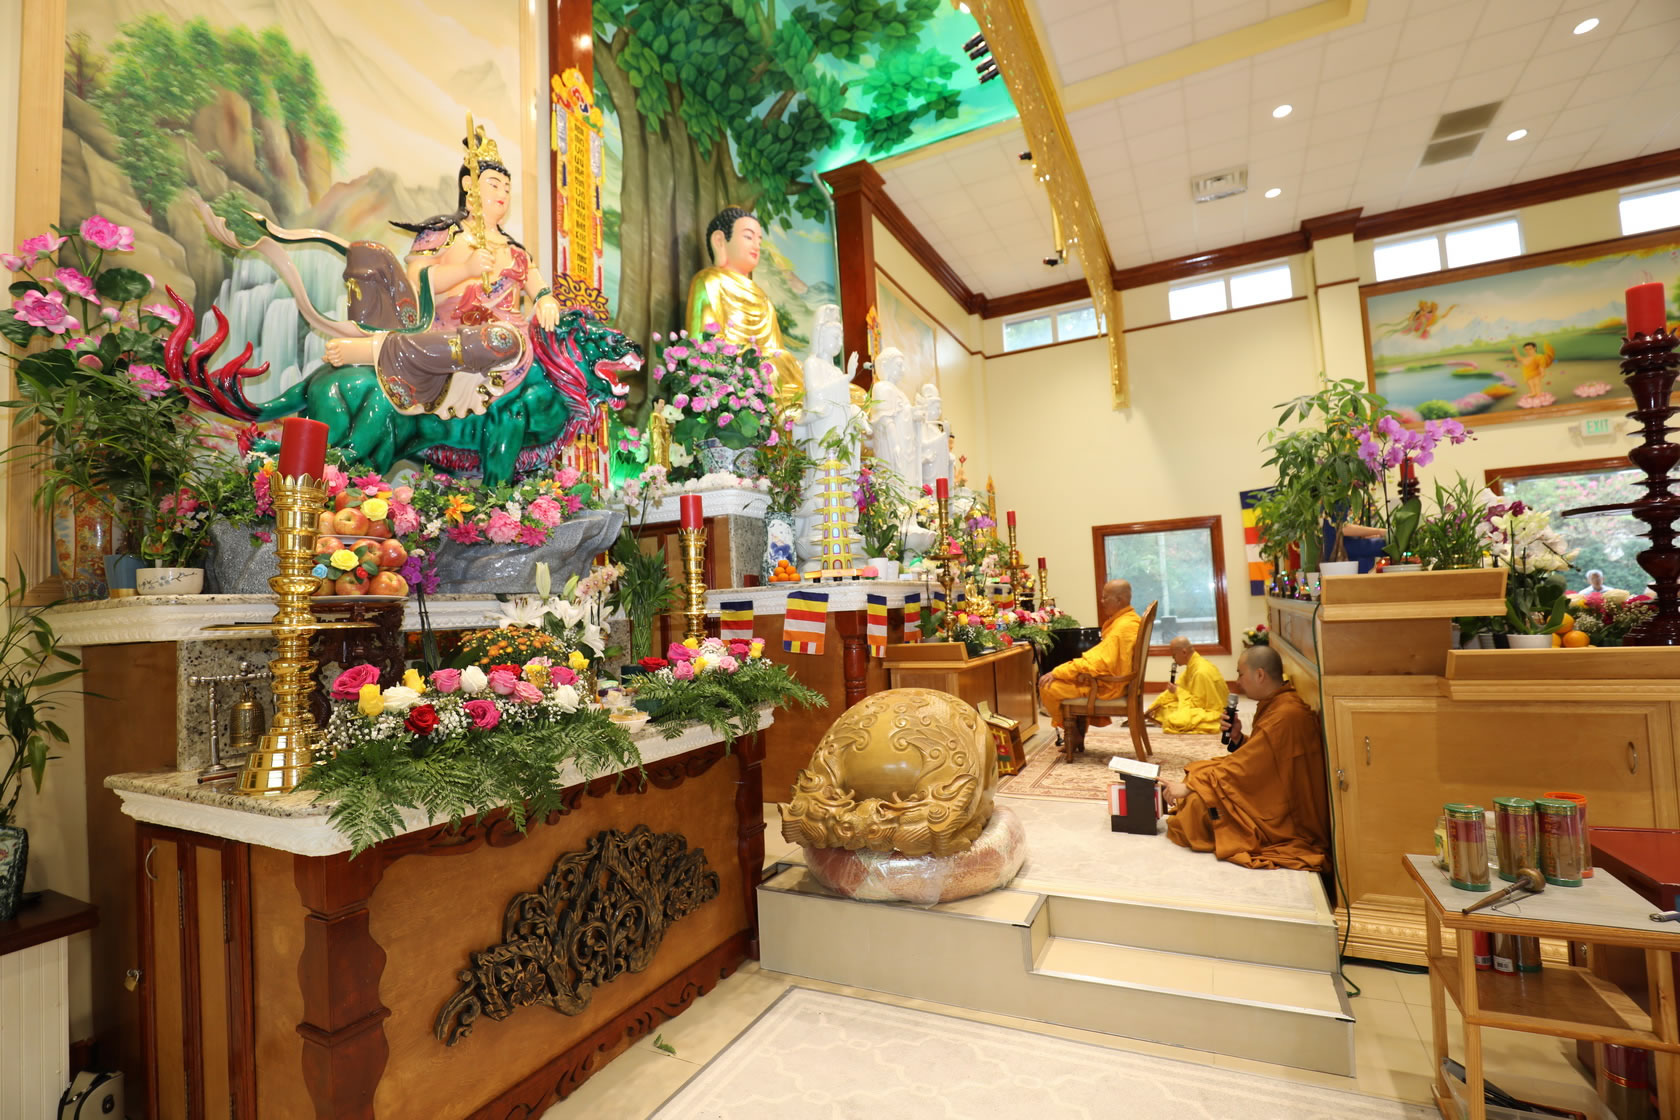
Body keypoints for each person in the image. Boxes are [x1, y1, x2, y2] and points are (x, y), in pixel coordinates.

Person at [324, 129, 562, 418]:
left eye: (508, 189)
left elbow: (540, 289)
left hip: (505, 340)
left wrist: (546, 300)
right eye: (494, 185)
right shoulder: (444, 234)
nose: (503, 194)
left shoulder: (515, 251)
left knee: (503, 339)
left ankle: (379, 350)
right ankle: (378, 349)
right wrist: (465, 270)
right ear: (469, 184)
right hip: (445, 332)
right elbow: (416, 281)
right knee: (492, 338)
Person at [1162, 645, 1330, 871]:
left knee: (1197, 807)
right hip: (1274, 786)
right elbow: (1263, 755)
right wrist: (1239, 738)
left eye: (1241, 674)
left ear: (1260, 675)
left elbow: (1247, 764)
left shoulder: (1286, 714)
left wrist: (1192, 786)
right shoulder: (1278, 703)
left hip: (1286, 813)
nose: (1238, 681)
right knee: (1202, 771)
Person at [685, 207, 803, 401]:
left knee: (789, 362)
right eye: (748, 237)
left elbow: (776, 351)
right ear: (720, 241)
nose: (756, 246)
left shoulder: (761, 296)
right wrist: (748, 360)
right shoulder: (709, 281)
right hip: (735, 376)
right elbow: (703, 345)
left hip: (768, 373)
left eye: (759, 240)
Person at [1038, 580, 1140, 730]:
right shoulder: (1130, 620)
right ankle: (1077, 730)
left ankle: (1073, 731)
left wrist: (1058, 672)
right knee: (1066, 678)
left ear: (1119, 600)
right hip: (1116, 682)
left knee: (1048, 687)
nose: (1102, 601)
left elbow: (1096, 663)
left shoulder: (1123, 627)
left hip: (1110, 686)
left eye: (1105, 598)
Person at [1145, 636, 1229, 734]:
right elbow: (1176, 688)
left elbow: (1198, 705)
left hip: (1213, 712)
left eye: (1174, 655)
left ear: (1184, 652)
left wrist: (1177, 691)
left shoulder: (1200, 672)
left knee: (1175, 719)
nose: (1173, 659)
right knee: (1164, 707)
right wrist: (1152, 707)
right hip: (1199, 706)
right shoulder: (1193, 666)